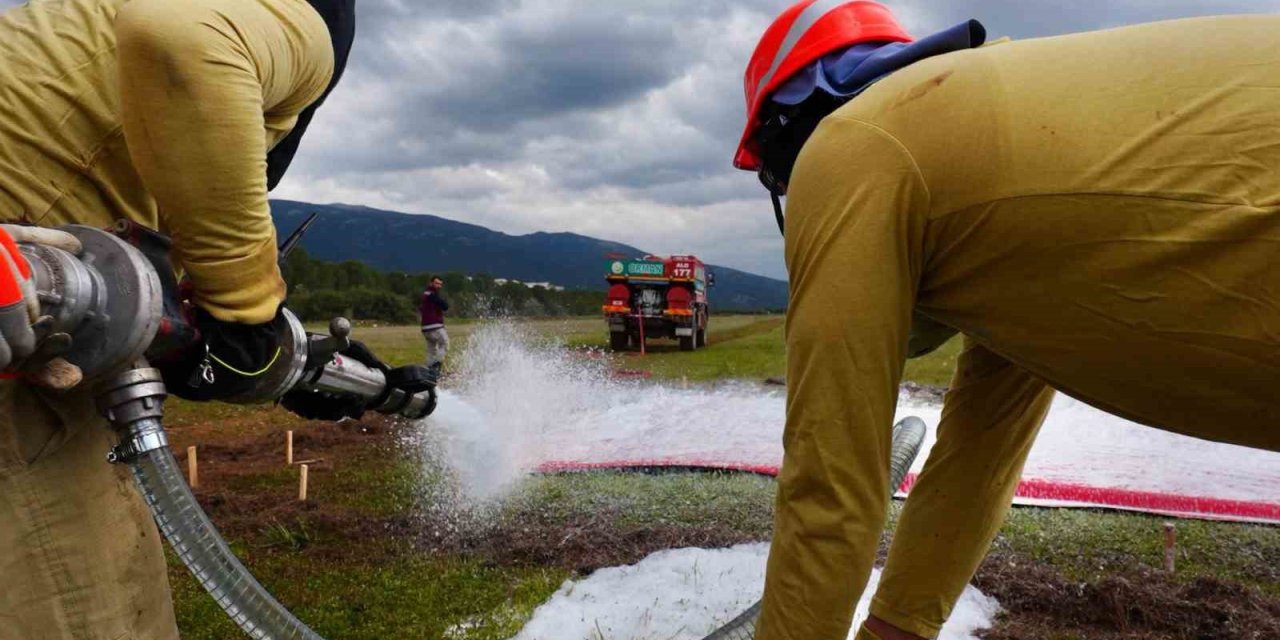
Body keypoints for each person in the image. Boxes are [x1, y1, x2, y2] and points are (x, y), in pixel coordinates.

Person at [733, 2, 1280, 639]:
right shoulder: (1002, 152)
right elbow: (979, 450)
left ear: (789, 131)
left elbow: (828, 481)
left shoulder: (853, 143)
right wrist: (898, 628)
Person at [0, 1, 423, 638]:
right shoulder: (308, 14)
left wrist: (290, 361)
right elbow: (181, 39)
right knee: (86, 597)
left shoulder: (75, 40)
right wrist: (246, 311)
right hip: (26, 274)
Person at [420, 276, 450, 377]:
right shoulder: (431, 294)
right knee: (445, 344)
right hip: (434, 326)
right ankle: (435, 368)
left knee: (431, 350)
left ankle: (427, 371)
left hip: (425, 328)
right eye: (436, 283)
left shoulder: (425, 294)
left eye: (440, 284)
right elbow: (444, 306)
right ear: (431, 283)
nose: (439, 286)